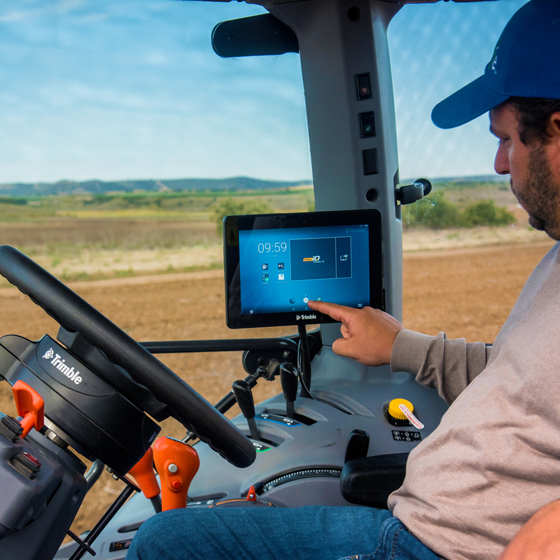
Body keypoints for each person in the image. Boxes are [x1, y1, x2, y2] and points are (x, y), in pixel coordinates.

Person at [126, 1, 560, 559]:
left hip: (444, 548)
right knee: (172, 537)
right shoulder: (555, 262)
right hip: (410, 524)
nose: (500, 164)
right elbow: (515, 376)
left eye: (507, 140)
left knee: (167, 548)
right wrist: (400, 345)